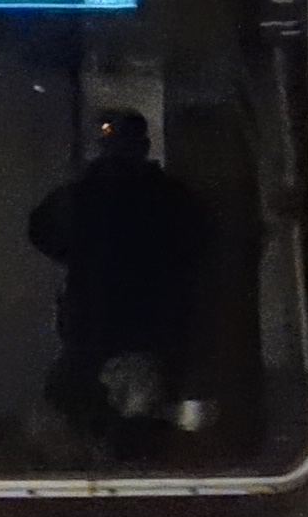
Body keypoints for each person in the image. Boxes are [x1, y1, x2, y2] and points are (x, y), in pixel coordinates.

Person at [30, 107, 209, 447]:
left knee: (129, 419)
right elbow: (43, 231)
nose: (117, 149)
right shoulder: (162, 197)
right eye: (112, 141)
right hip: (111, 329)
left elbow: (45, 233)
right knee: (80, 410)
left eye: (122, 141)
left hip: (135, 330)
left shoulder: (94, 196)